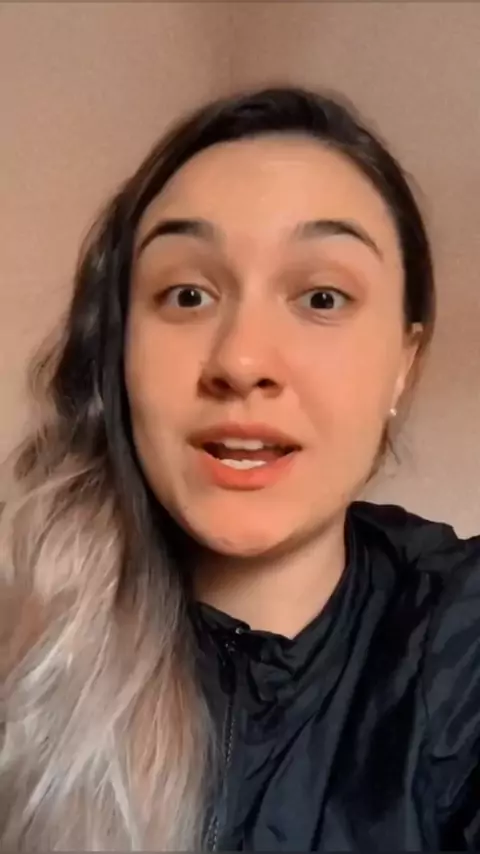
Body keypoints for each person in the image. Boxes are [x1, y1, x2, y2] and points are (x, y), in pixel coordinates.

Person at [1, 85, 479, 852]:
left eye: (322, 297)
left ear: (404, 362)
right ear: (119, 352)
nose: (241, 360)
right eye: (187, 294)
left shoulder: (461, 638)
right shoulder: (23, 647)